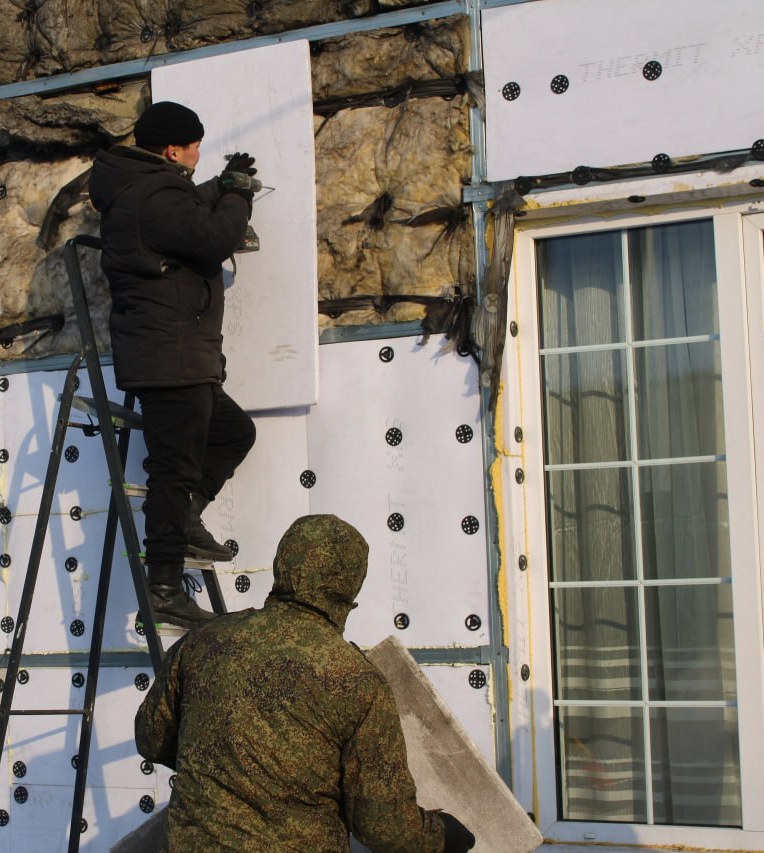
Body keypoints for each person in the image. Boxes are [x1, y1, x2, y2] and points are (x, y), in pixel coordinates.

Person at [135, 514, 477, 853]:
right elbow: (383, 827)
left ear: (282, 565)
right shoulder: (358, 682)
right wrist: (444, 835)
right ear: (350, 589)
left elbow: (152, 739)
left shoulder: (205, 640)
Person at [87, 100, 258, 630]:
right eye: (194, 146)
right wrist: (238, 195)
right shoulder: (150, 195)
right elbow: (211, 236)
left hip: (179, 352)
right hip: (170, 354)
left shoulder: (150, 191)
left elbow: (187, 215)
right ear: (172, 149)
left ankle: (184, 520)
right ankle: (163, 590)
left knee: (233, 433)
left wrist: (220, 186)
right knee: (173, 471)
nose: (198, 154)